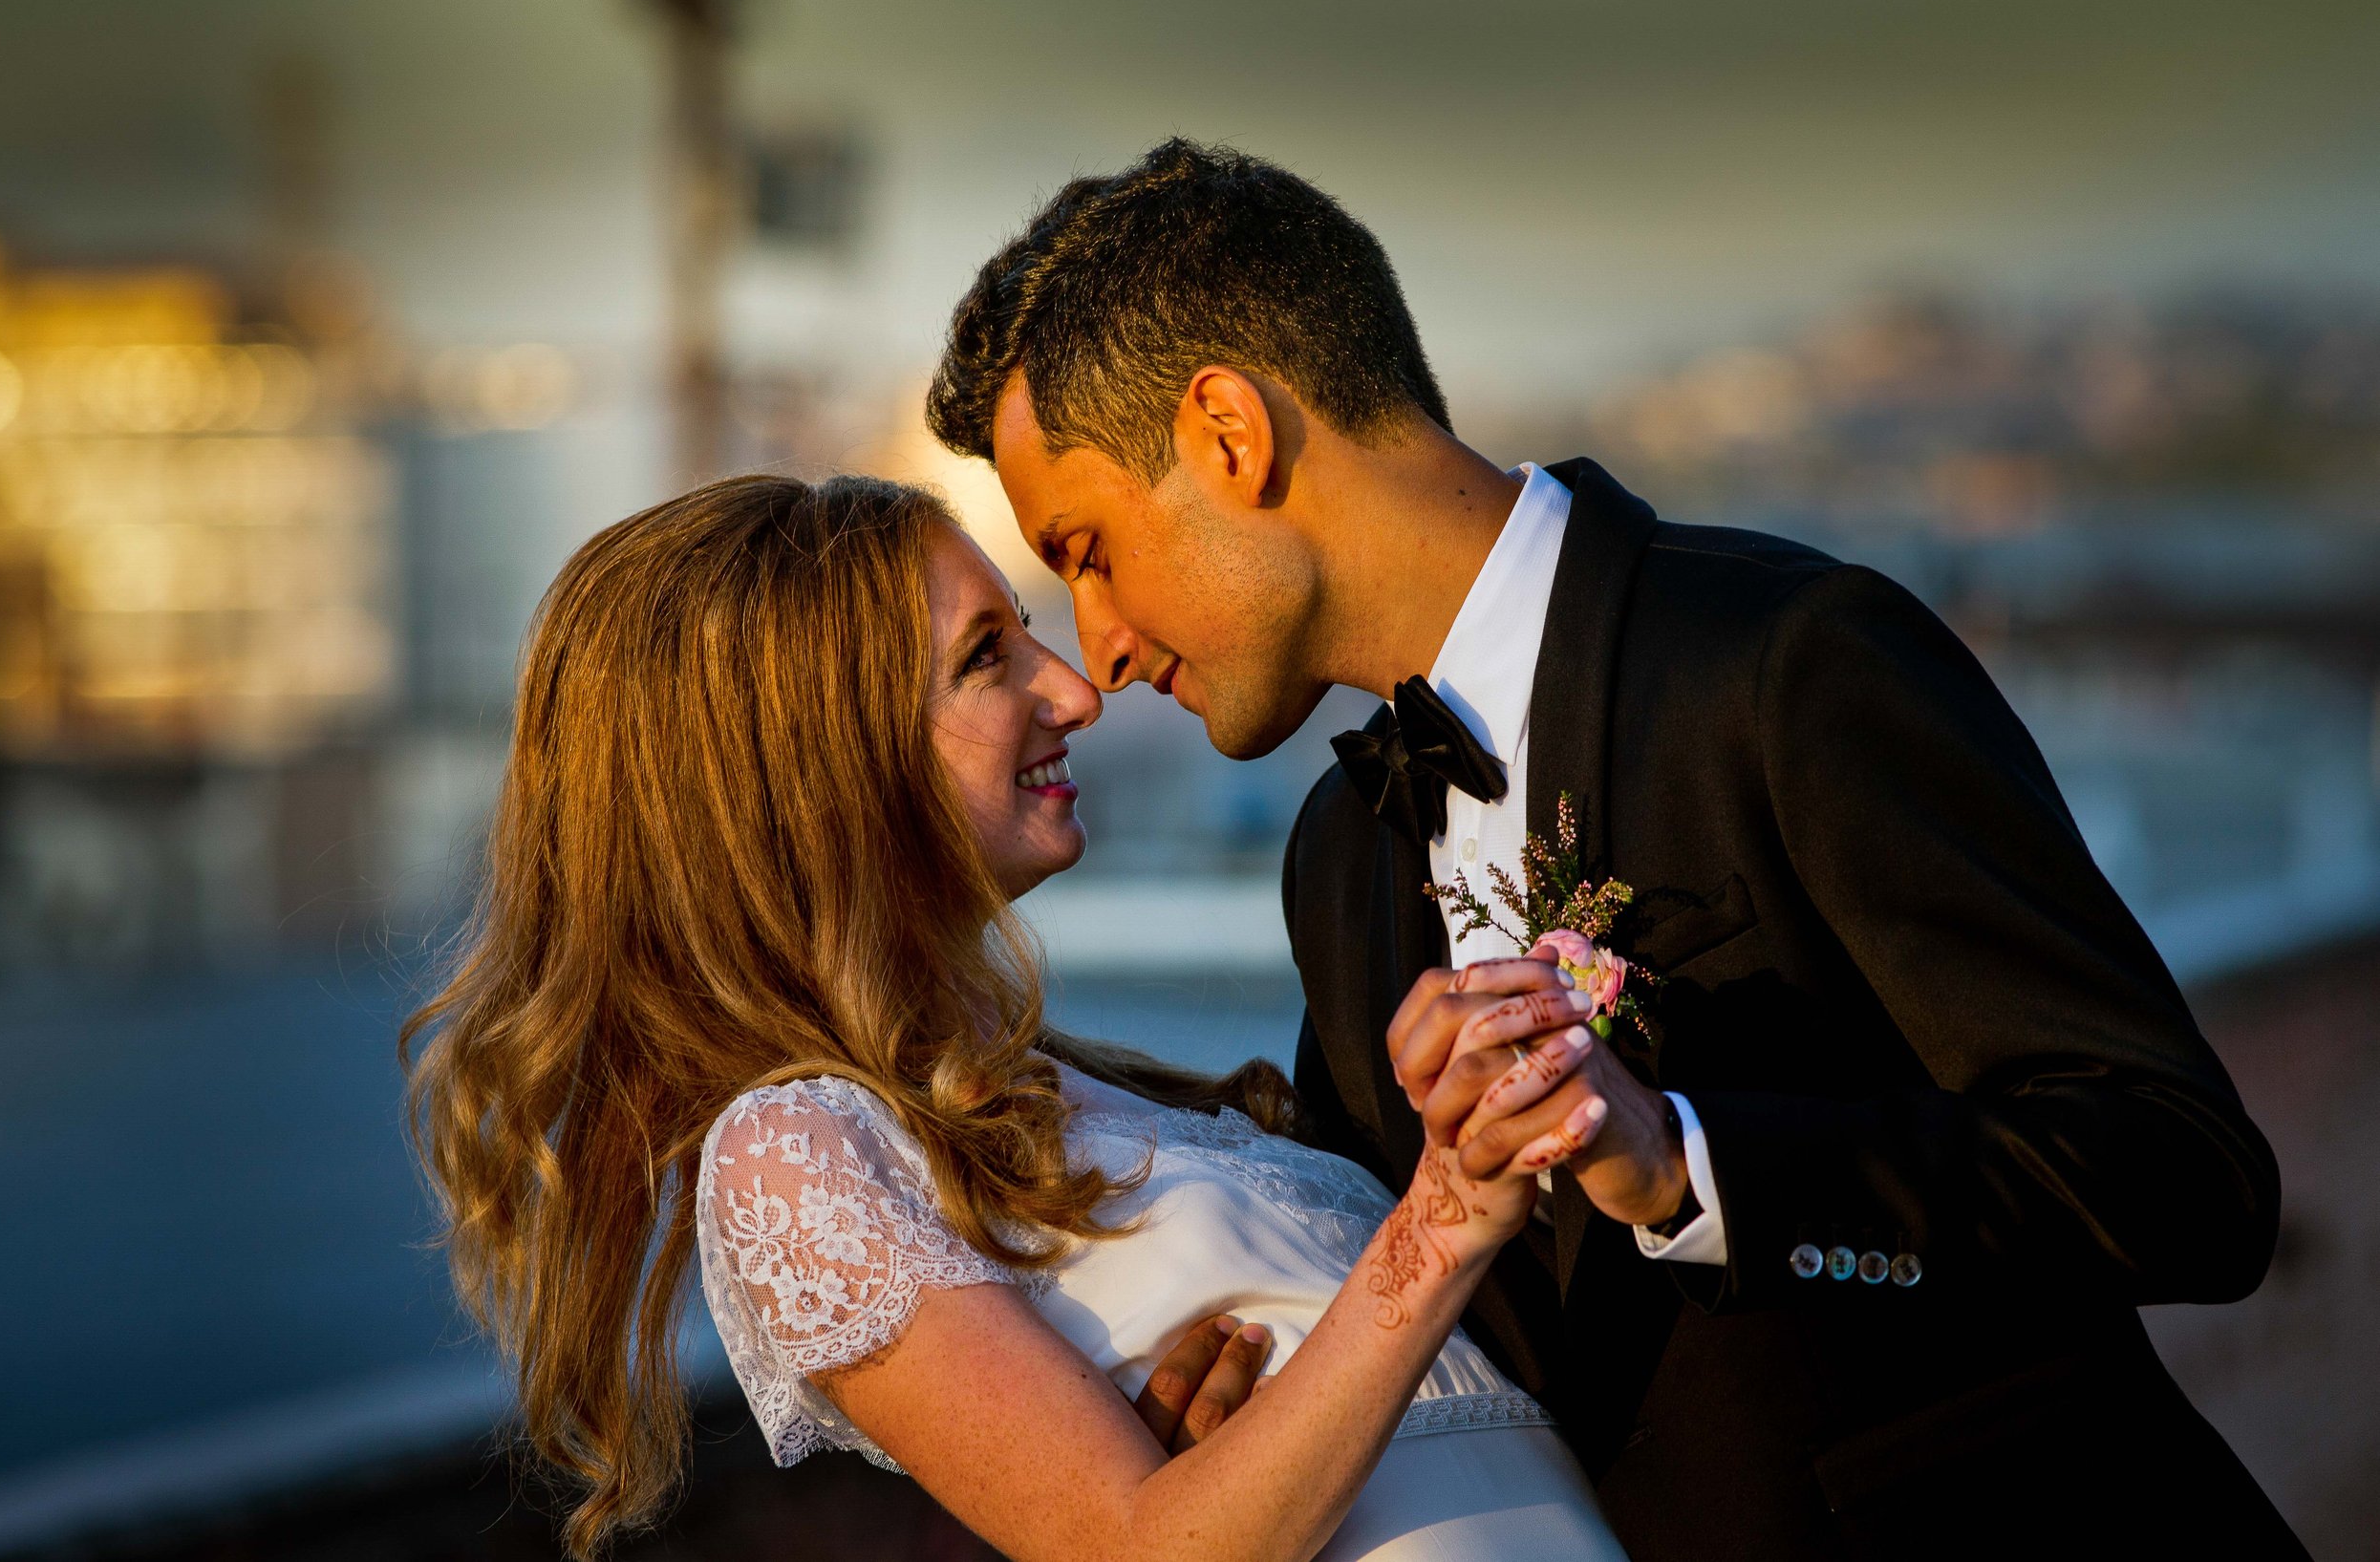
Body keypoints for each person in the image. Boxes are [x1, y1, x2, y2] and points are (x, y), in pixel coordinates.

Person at [924, 138, 2309, 1559]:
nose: (1099, 649)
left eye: (1088, 549)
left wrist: (1691, 1165)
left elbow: (2189, 1181)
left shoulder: (1786, 663)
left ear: (1231, 431)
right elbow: (1430, 1298)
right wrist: (1248, 1402)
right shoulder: (1337, 859)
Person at [402, 473, 1627, 1562]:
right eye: (989, 655)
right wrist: (1445, 1218)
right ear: (826, 759)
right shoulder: (787, 1152)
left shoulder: (1055, 1086)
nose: (1076, 692)